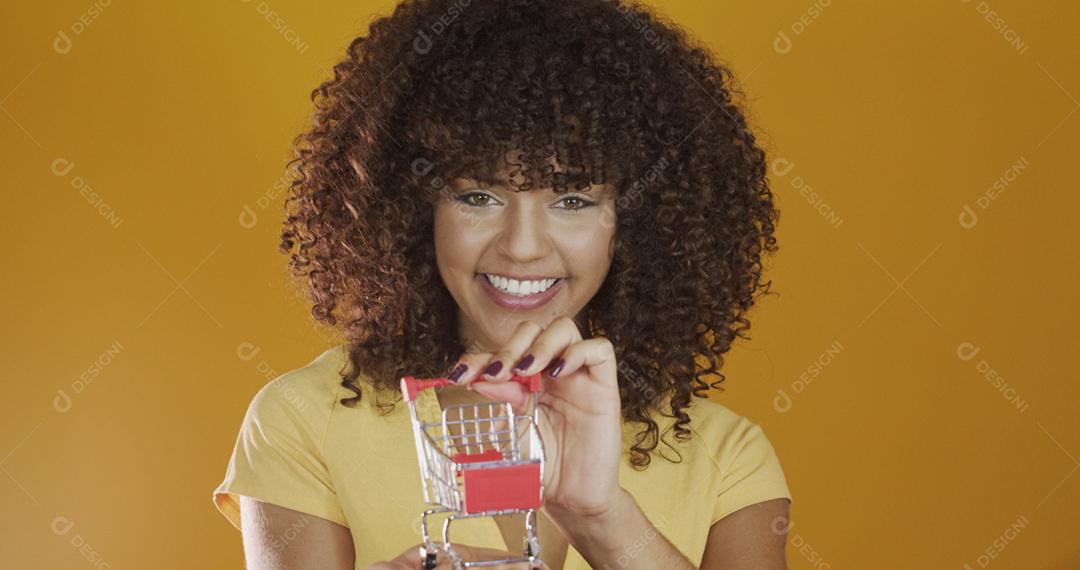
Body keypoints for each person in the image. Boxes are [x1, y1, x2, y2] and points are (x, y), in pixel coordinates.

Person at [212, 0, 793, 567]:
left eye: (572, 200)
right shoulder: (305, 419)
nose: (521, 246)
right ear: (415, 209)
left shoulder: (725, 458)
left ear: (635, 223)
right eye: (478, 196)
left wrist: (599, 516)